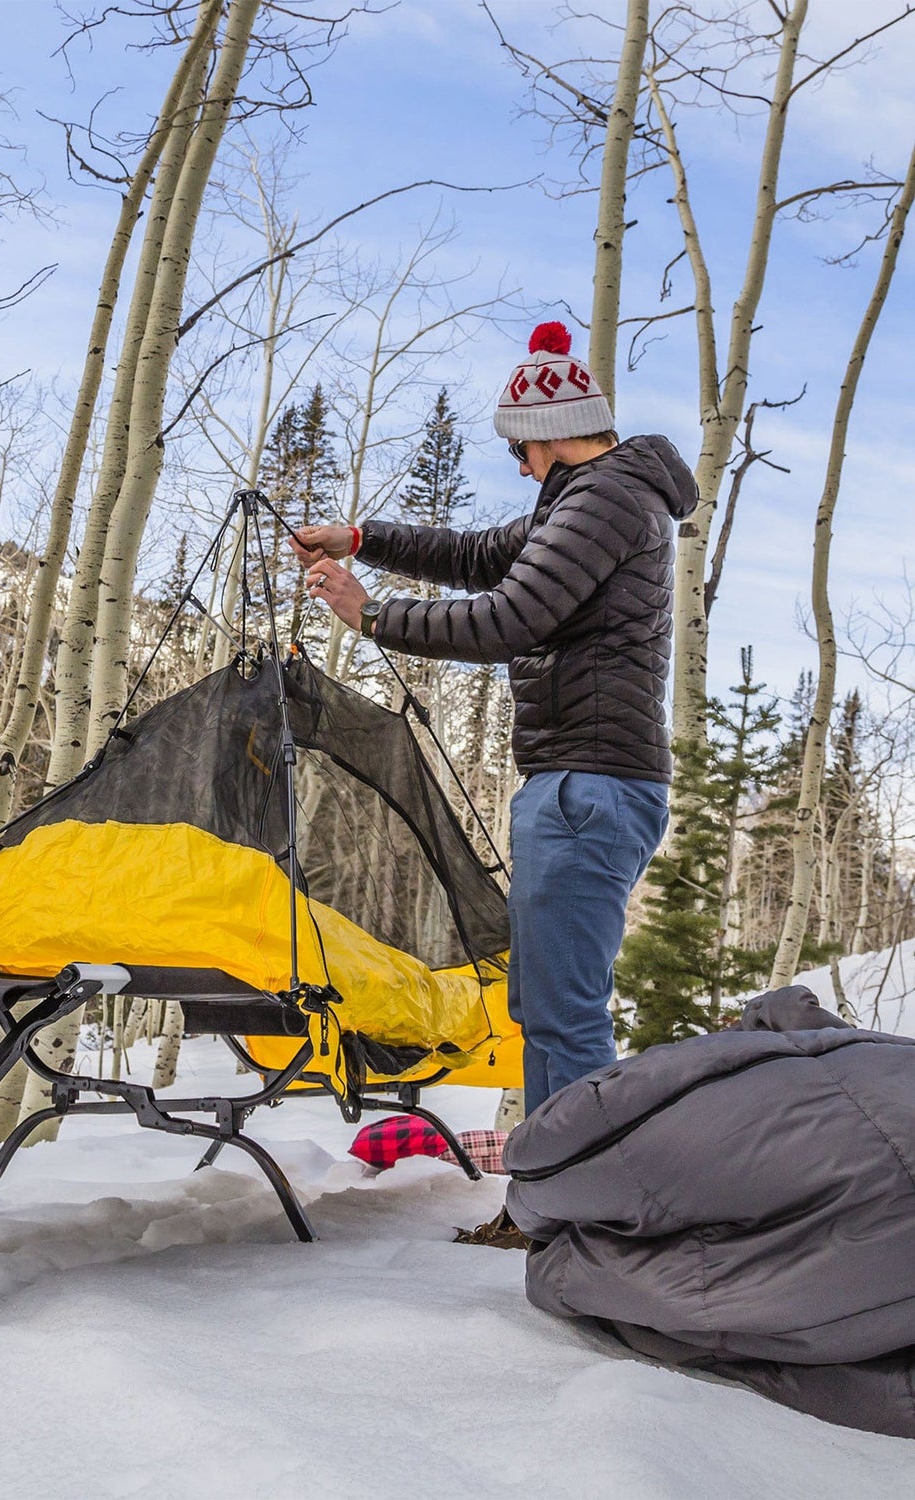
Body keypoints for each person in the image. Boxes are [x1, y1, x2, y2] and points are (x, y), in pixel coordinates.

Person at [291, 320, 698, 1152]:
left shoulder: (608, 499)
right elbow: (480, 554)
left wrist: (371, 616)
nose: (520, 468)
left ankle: (583, 1194)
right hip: (580, 783)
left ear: (550, 433)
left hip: (588, 784)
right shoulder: (594, 501)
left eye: (520, 450)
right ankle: (552, 1183)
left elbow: (508, 617)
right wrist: (362, 539)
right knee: (544, 1007)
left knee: (565, 1013)